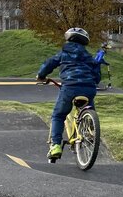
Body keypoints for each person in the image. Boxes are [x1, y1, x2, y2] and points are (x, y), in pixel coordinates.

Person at [37, 27, 101, 160]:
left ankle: (55, 145)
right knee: (89, 106)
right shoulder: (89, 57)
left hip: (70, 87)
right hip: (89, 88)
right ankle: (90, 131)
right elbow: (97, 76)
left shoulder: (63, 53)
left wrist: (41, 76)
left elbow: (49, 64)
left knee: (58, 115)